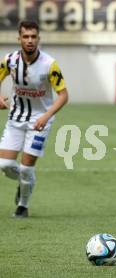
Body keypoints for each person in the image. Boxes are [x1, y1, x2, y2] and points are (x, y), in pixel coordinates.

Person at [0, 20, 69, 218]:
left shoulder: (50, 65)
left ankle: (22, 206)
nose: (29, 41)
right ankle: (25, 180)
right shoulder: (10, 60)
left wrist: (46, 116)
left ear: (38, 38)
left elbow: (64, 95)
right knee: (4, 165)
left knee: (26, 167)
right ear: (19, 38)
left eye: (33, 37)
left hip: (40, 121)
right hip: (15, 119)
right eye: (25, 37)